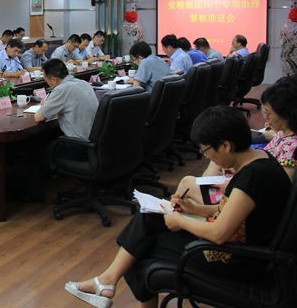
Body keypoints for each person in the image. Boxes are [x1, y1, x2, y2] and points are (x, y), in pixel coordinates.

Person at [65, 105, 291, 308]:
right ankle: (107, 280)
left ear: (225, 145)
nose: (207, 157)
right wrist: (193, 210)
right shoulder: (261, 159)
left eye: (206, 151)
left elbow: (219, 233)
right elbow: (236, 212)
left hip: (236, 261)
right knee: (149, 217)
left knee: (141, 249)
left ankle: (107, 282)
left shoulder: (253, 176)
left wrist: (180, 221)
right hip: (244, 248)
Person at [176, 76, 297, 207]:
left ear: (286, 114)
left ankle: (206, 197)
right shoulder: (284, 136)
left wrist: (234, 182)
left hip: (250, 198)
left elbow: (278, 190)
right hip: (248, 188)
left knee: (187, 185)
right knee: (193, 192)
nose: (266, 118)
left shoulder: (290, 147)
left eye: (268, 113)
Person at [34, 59, 99, 156]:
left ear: (54, 79)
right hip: (96, 142)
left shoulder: (62, 89)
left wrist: (47, 105)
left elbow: (38, 117)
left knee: (34, 148)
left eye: (46, 80)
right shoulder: (83, 83)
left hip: (79, 146)